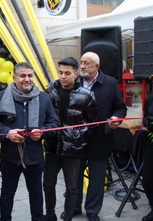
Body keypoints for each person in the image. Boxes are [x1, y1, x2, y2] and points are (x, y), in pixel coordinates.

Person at [0, 62, 59, 221]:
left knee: (36, 193)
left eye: (30, 75)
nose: (27, 79)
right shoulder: (0, 97)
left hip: (34, 156)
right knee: (7, 194)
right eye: (22, 76)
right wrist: (7, 133)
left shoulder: (44, 98)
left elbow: (54, 123)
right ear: (14, 77)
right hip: (10, 156)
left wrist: (42, 132)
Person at [43, 57, 99, 221]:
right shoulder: (50, 91)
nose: (63, 77)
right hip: (52, 147)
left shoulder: (87, 95)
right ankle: (50, 214)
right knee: (47, 184)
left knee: (72, 187)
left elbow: (94, 122)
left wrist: (79, 134)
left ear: (76, 74)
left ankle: (68, 216)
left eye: (67, 73)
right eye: (60, 72)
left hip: (74, 149)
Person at [75, 52, 127, 221]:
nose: (82, 66)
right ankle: (74, 207)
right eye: (81, 62)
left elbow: (120, 108)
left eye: (86, 63)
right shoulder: (74, 81)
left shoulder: (110, 83)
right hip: (76, 140)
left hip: (100, 140)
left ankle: (92, 210)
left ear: (96, 67)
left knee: (97, 179)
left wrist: (115, 119)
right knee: (74, 175)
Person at [140, 70, 153, 221]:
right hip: (152, 144)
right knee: (149, 179)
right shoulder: (151, 99)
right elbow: (145, 117)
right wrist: (147, 122)